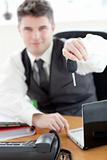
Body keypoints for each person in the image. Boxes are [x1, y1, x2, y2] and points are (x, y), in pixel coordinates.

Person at [0, 0, 106, 133]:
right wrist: (37, 117)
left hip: (86, 127)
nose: (36, 36)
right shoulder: (16, 61)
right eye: (28, 29)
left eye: (42, 28)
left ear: (53, 27)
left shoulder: (70, 50)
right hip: (49, 132)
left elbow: (102, 55)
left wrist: (85, 47)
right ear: (19, 30)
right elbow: (6, 97)